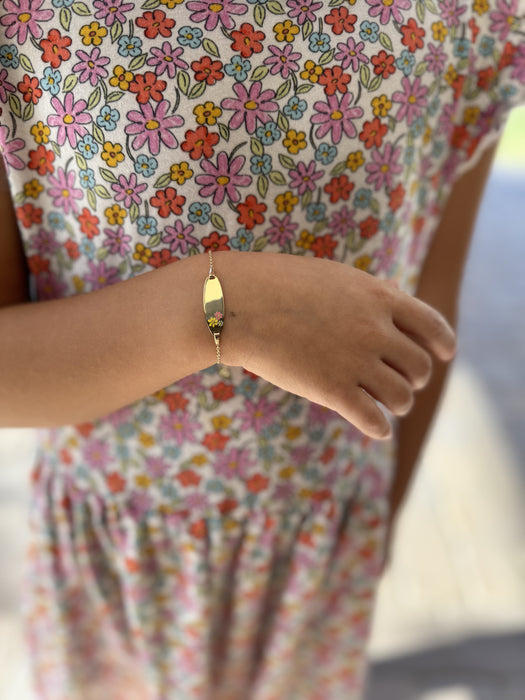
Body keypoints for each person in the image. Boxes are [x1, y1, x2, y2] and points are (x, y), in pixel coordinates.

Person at [0, 0, 523, 698]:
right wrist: (224, 308)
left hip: (323, 539)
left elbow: (427, 305)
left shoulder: (465, 13)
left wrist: (377, 519)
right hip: (113, 553)